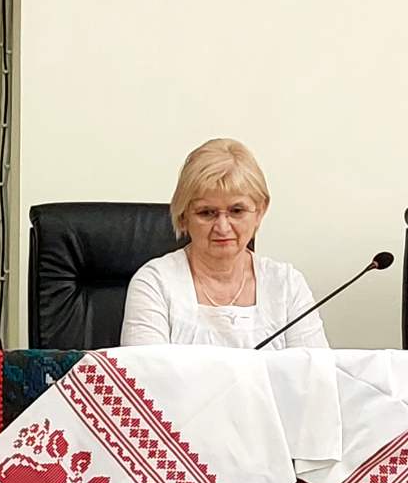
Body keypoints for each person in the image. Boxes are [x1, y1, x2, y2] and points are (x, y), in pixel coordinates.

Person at [120, 138, 329, 349]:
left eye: (237, 211)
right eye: (206, 213)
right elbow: (144, 369)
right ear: (183, 217)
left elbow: (315, 368)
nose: (222, 227)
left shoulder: (287, 285)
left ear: (260, 211)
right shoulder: (155, 283)